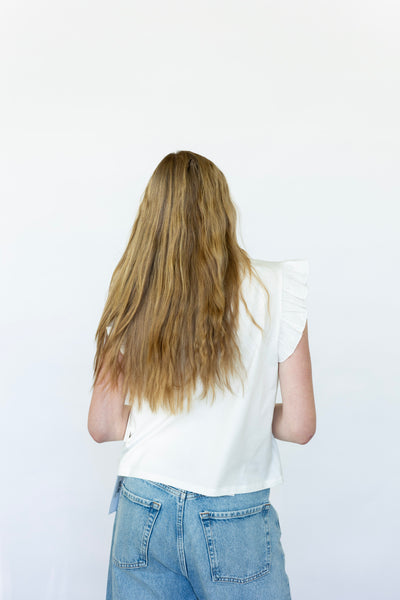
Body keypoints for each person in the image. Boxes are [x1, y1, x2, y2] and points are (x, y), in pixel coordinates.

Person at [88, 150, 316, 600]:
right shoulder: (276, 287)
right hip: (235, 515)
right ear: (222, 211)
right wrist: (244, 412)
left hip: (144, 507)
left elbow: (103, 426)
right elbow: (300, 425)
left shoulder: (133, 292)